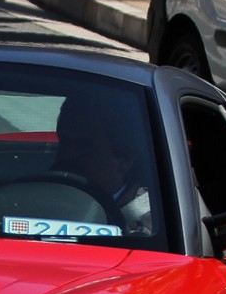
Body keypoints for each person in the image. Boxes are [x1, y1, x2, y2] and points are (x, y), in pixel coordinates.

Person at [51, 94, 155, 235]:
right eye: (64, 142)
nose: (67, 155)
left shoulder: (149, 230)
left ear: (125, 160)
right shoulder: (34, 201)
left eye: (84, 148)